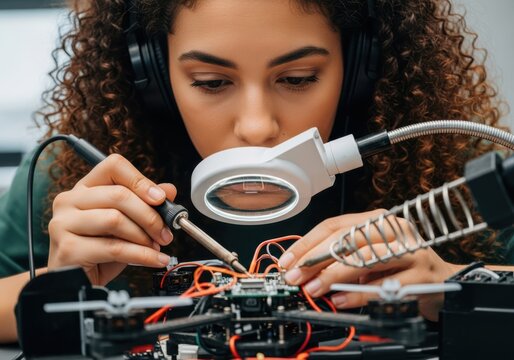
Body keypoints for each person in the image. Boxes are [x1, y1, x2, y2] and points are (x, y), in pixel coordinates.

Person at [0, 0, 513, 344]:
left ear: (360, 68)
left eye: (296, 78)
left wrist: (451, 285)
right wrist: (58, 287)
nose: (256, 127)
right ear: (152, 76)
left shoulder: (450, 162)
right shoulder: (73, 178)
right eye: (210, 81)